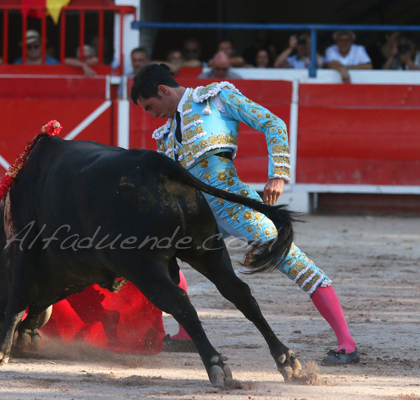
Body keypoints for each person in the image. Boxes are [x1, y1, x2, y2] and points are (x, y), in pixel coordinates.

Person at [130, 63, 360, 366]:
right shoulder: (166, 133)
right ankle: (186, 333)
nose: (151, 115)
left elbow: (273, 123)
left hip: (234, 204)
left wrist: (278, 174)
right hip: (198, 215)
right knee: (165, 256)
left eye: (150, 106)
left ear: (163, 90)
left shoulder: (216, 98)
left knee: (292, 261)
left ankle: (347, 343)